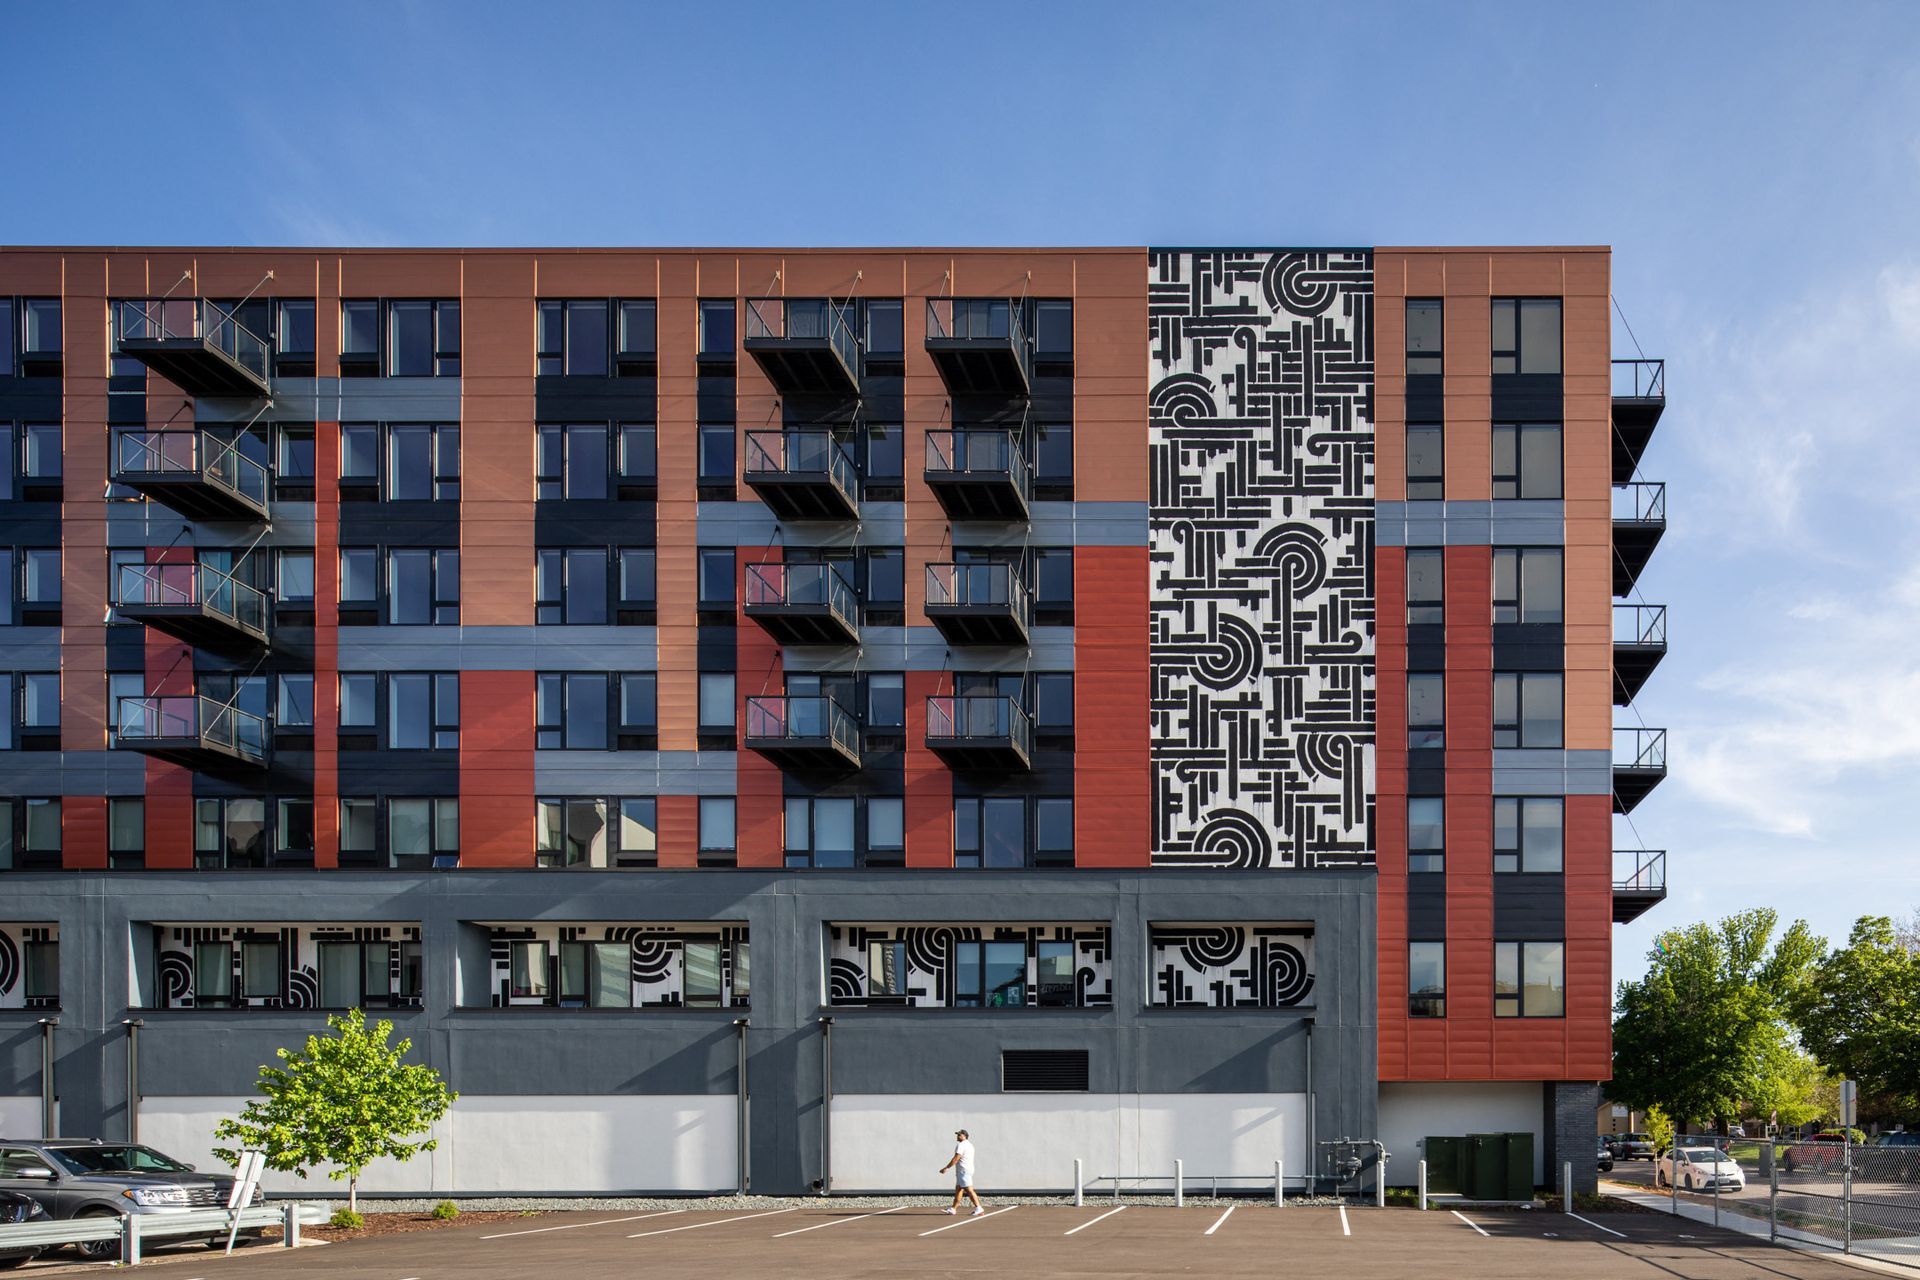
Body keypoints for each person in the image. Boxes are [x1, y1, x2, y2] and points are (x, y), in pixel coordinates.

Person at [939, 1128, 983, 1216]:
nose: (957, 1136)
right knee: (959, 1189)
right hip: (965, 1170)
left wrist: (946, 1168)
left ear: (964, 1136)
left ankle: (979, 1208)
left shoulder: (961, 1145)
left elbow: (956, 1158)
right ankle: (953, 1209)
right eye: (957, 1134)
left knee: (969, 1190)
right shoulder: (970, 1145)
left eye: (959, 1135)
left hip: (964, 1171)